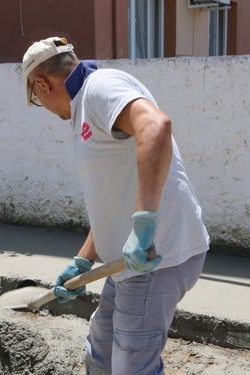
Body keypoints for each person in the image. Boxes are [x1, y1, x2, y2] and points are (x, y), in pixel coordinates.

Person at [22, 37, 209, 374]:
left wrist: (144, 226)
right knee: (101, 352)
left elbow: (156, 127)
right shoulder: (85, 106)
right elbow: (112, 194)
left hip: (156, 258)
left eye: (37, 98)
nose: (44, 107)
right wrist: (84, 258)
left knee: (131, 365)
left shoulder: (100, 88)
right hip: (125, 264)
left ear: (42, 84)